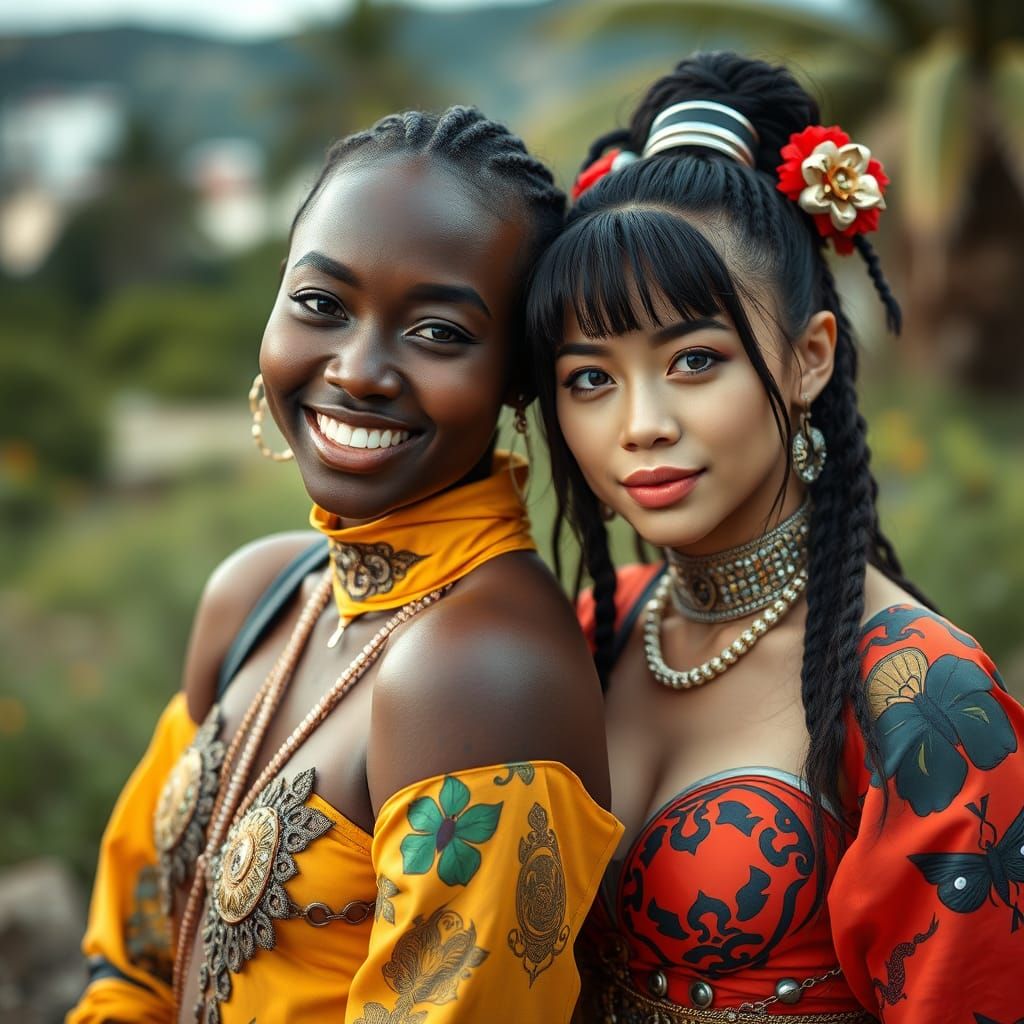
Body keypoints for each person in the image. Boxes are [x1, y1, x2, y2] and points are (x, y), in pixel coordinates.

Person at [68, 106, 622, 1024]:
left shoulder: (482, 675)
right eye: (321, 305)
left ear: (518, 375)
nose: (359, 370)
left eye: (439, 331)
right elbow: (133, 959)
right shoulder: (259, 594)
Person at [526, 52, 1024, 1023]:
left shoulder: (923, 699)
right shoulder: (597, 631)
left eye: (695, 360)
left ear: (807, 360)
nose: (640, 423)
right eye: (590, 377)